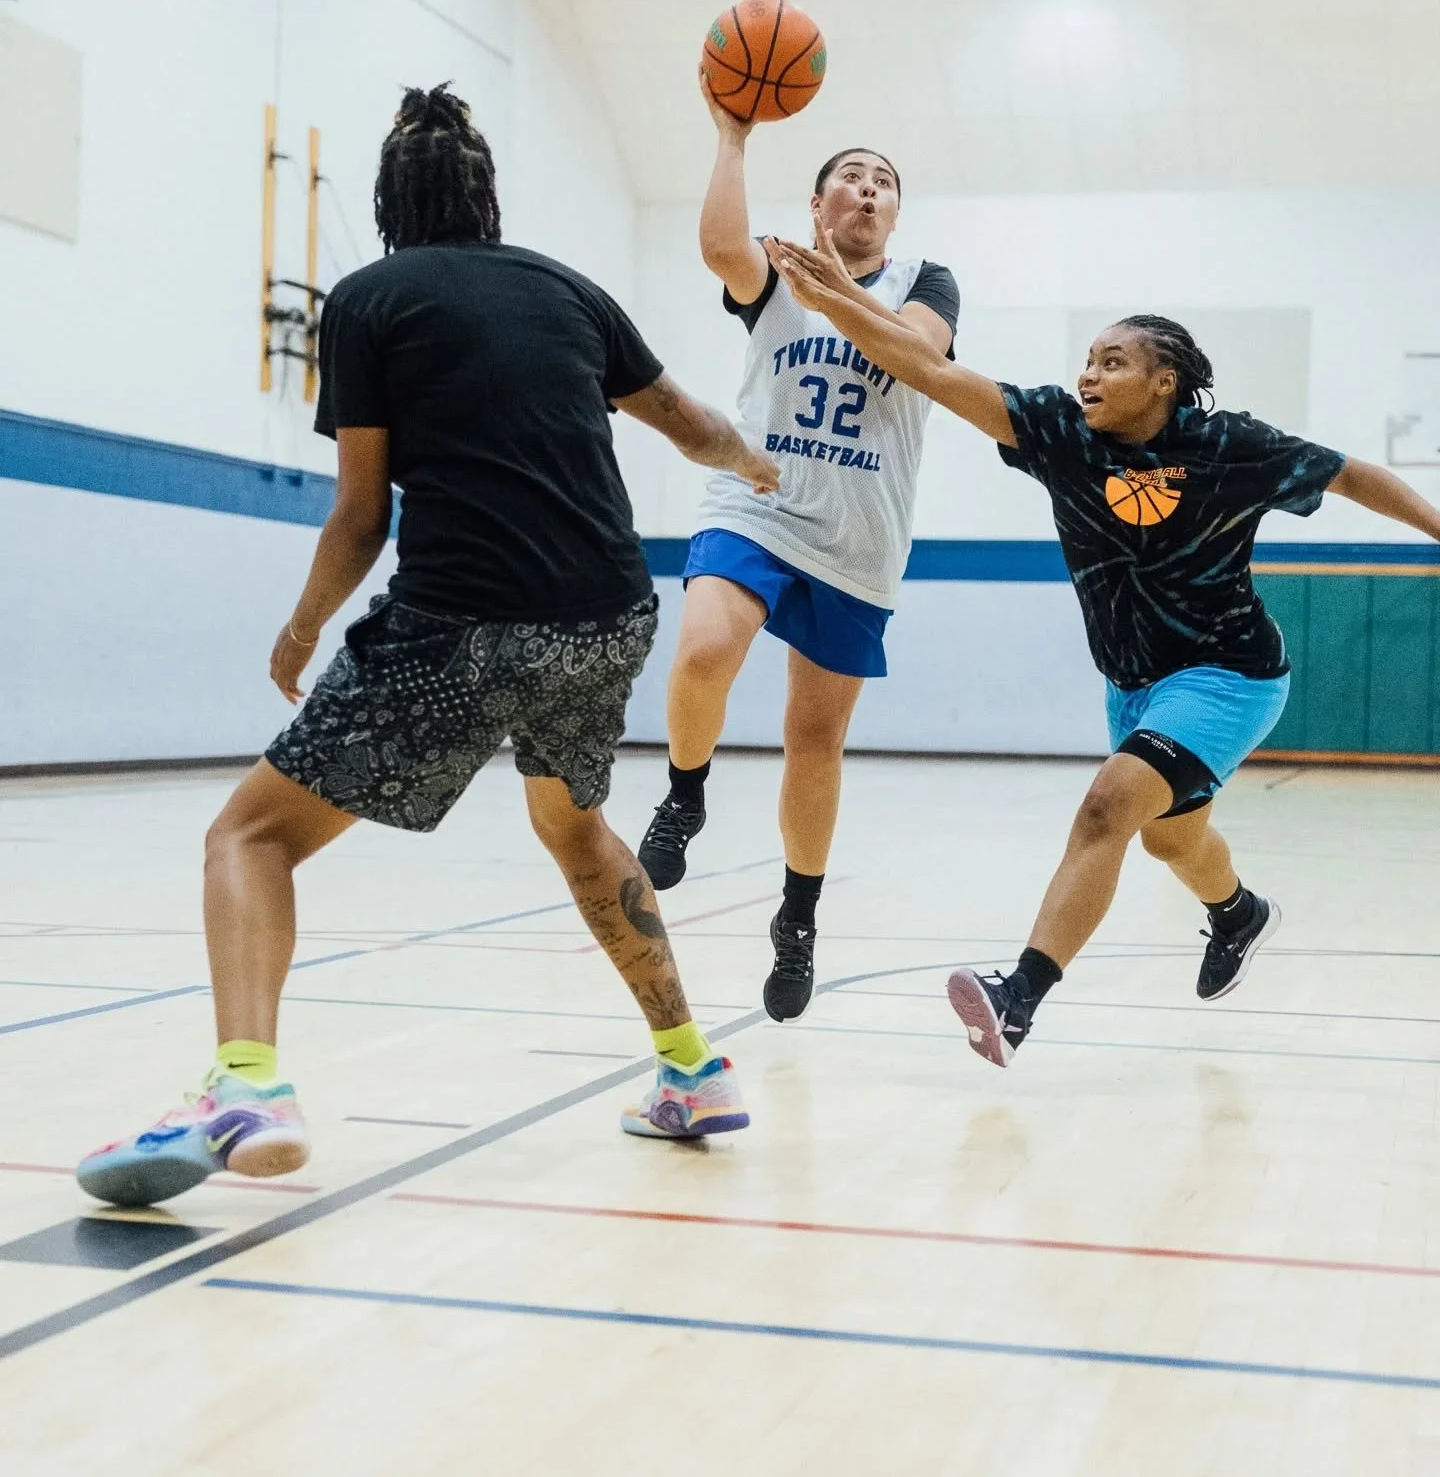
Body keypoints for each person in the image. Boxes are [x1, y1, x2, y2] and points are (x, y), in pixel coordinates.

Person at [77, 85, 781, 1206]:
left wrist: (304, 625)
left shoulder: (367, 300)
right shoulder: (568, 288)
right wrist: (752, 464)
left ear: (387, 203)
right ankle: (692, 1068)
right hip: (606, 617)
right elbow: (691, 422)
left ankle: (246, 1085)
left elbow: (362, 515)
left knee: (247, 838)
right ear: (487, 195)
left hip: (460, 623)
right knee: (578, 828)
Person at [770, 228, 1440, 1067]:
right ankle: (1239, 913)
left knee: (1107, 809)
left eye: (1114, 361)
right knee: (1171, 838)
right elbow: (930, 371)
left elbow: (1350, 476)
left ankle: (1018, 998)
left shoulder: (1232, 446)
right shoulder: (1057, 429)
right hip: (1132, 683)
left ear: (1166, 381)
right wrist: (834, 297)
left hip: (1230, 674)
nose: (1089, 373)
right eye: (1088, 357)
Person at [635, 72, 959, 1024]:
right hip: (759, 502)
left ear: (893, 214)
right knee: (701, 650)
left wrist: (832, 292)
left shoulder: (924, 284)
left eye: (883, 181)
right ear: (817, 203)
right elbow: (717, 246)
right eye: (850, 177)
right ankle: (684, 797)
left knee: (814, 742)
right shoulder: (774, 273)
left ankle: (798, 917)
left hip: (858, 539)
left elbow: (921, 357)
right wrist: (733, 136)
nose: (867, 189)